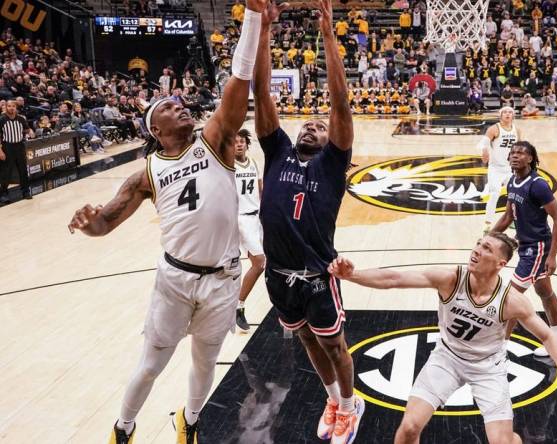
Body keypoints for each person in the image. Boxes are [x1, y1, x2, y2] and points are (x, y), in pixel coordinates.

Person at [67, 0, 265, 442]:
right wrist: (88, 222)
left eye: (180, 103)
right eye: (169, 107)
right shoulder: (146, 175)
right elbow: (106, 225)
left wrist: (252, 18)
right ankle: (124, 426)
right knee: (152, 363)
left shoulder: (214, 141)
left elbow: (239, 82)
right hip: (175, 279)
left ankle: (189, 422)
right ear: (155, 128)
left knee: (204, 362)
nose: (181, 107)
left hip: (224, 277)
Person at [328, 233, 557, 444]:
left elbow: (546, 335)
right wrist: (352, 275)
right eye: (477, 244)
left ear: (500, 263)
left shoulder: (511, 300)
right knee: (408, 429)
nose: (477, 250)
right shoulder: (451, 279)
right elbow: (395, 279)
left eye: (486, 248)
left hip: (488, 368)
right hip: (447, 359)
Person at [252, 1, 363, 443]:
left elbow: (340, 104)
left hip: (318, 274)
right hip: (279, 274)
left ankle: (351, 406)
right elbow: (262, 92)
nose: (312, 126)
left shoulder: (333, 164)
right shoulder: (277, 151)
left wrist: (330, 36)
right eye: (308, 123)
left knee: (335, 344)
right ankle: (334, 399)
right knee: (307, 342)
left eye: (320, 125)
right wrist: (263, 31)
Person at [491, 141, 557, 358]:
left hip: (537, 249)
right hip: (526, 245)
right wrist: (488, 237)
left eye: (521, 153)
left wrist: (552, 256)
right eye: (513, 153)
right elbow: (508, 216)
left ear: (531, 159)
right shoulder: (512, 182)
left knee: (511, 297)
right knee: (544, 292)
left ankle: (500, 348)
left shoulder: (538, 185)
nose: (516, 156)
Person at [234, 128, 266, 331]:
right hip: (239, 219)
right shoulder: (227, 166)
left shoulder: (253, 163)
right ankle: (239, 306)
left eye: (241, 141)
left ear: (247, 144)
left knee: (268, 261)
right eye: (234, 142)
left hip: (257, 217)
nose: (238, 144)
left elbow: (261, 190)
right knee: (259, 263)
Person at [479, 106, 521, 231]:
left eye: (510, 112)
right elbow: (484, 142)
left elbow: (519, 147)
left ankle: (512, 219)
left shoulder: (517, 130)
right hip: (495, 168)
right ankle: (487, 225)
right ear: (500, 115)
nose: (507, 114)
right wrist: (485, 151)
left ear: (513, 115)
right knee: (494, 194)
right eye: (505, 112)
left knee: (514, 195)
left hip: (510, 168)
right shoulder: (494, 129)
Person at [0, 100, 34, 203]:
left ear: (16, 107)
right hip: (7, 147)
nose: (11, 108)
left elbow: (27, 130)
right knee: (6, 172)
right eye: (9, 106)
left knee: (23, 170)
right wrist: (0, 151)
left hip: (19, 146)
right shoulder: (2, 119)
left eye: (13, 106)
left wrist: (31, 132)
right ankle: (4, 193)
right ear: (6, 107)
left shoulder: (21, 119)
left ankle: (25, 191)